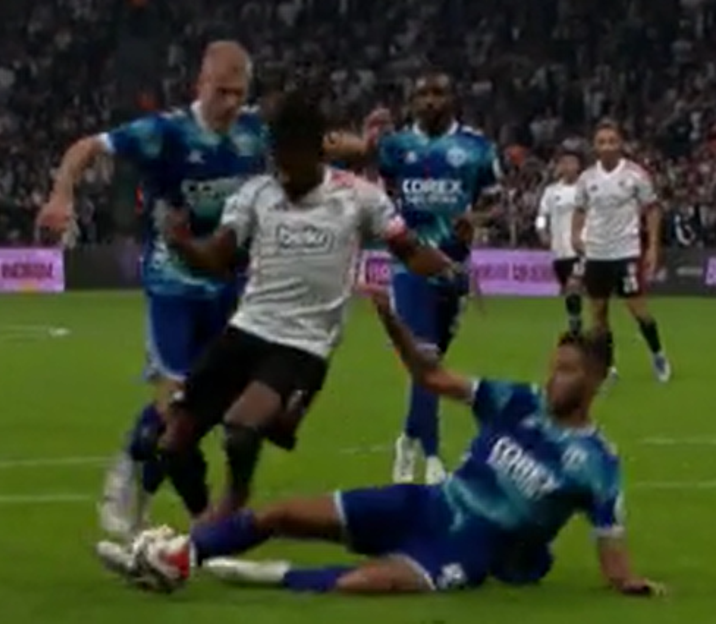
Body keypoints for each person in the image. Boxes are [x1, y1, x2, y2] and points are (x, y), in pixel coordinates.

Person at [95, 286, 664, 598]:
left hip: (463, 550)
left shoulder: (597, 463)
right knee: (283, 513)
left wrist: (630, 583)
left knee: (364, 584)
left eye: (568, 371)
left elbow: (611, 544)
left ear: (595, 380)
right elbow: (432, 378)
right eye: (555, 366)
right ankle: (180, 554)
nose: (555, 378)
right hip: (426, 503)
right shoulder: (515, 399)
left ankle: (259, 573)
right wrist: (393, 322)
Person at [132, 90, 455, 531]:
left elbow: (410, 250)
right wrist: (185, 245)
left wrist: (450, 268)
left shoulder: (358, 197)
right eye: (275, 154)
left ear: (316, 148)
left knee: (240, 429)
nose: (281, 167)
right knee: (171, 445)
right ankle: (204, 525)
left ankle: (232, 506)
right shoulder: (256, 194)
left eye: (289, 155)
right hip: (246, 329)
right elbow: (219, 258)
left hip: (302, 344)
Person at [37, 41, 267, 538]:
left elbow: (306, 155)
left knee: (208, 406)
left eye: (239, 92)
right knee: (174, 402)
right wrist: (61, 195)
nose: (231, 102)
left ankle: (145, 471)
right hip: (173, 282)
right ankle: (138, 480)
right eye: (222, 91)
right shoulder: (166, 132)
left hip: (228, 284)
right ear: (200, 85)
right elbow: (85, 148)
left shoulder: (255, 133)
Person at [373, 71, 502, 485]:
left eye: (438, 93)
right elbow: (380, 199)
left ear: (452, 99)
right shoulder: (395, 147)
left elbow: (496, 203)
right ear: (411, 101)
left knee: (430, 366)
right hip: (409, 265)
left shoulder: (477, 148)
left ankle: (408, 438)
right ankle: (431, 459)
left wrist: (475, 218)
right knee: (425, 358)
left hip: (454, 268)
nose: (429, 100)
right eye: (422, 94)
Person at [571, 120, 671, 383]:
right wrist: (575, 234)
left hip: (625, 251)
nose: (607, 147)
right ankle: (608, 367)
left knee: (638, 309)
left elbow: (652, 210)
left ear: (620, 144)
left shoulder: (635, 175)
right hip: (596, 253)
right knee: (598, 314)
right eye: (601, 142)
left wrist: (653, 247)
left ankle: (658, 354)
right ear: (595, 146)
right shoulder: (587, 178)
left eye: (612, 141)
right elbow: (580, 209)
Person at [536, 147, 585, 333]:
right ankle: (575, 320)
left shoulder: (586, 189)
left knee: (574, 285)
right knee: (568, 290)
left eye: (572, 162)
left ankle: (575, 324)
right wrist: (542, 231)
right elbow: (542, 215)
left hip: (581, 248)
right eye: (564, 163)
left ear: (578, 166)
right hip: (558, 250)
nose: (568, 166)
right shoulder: (551, 191)